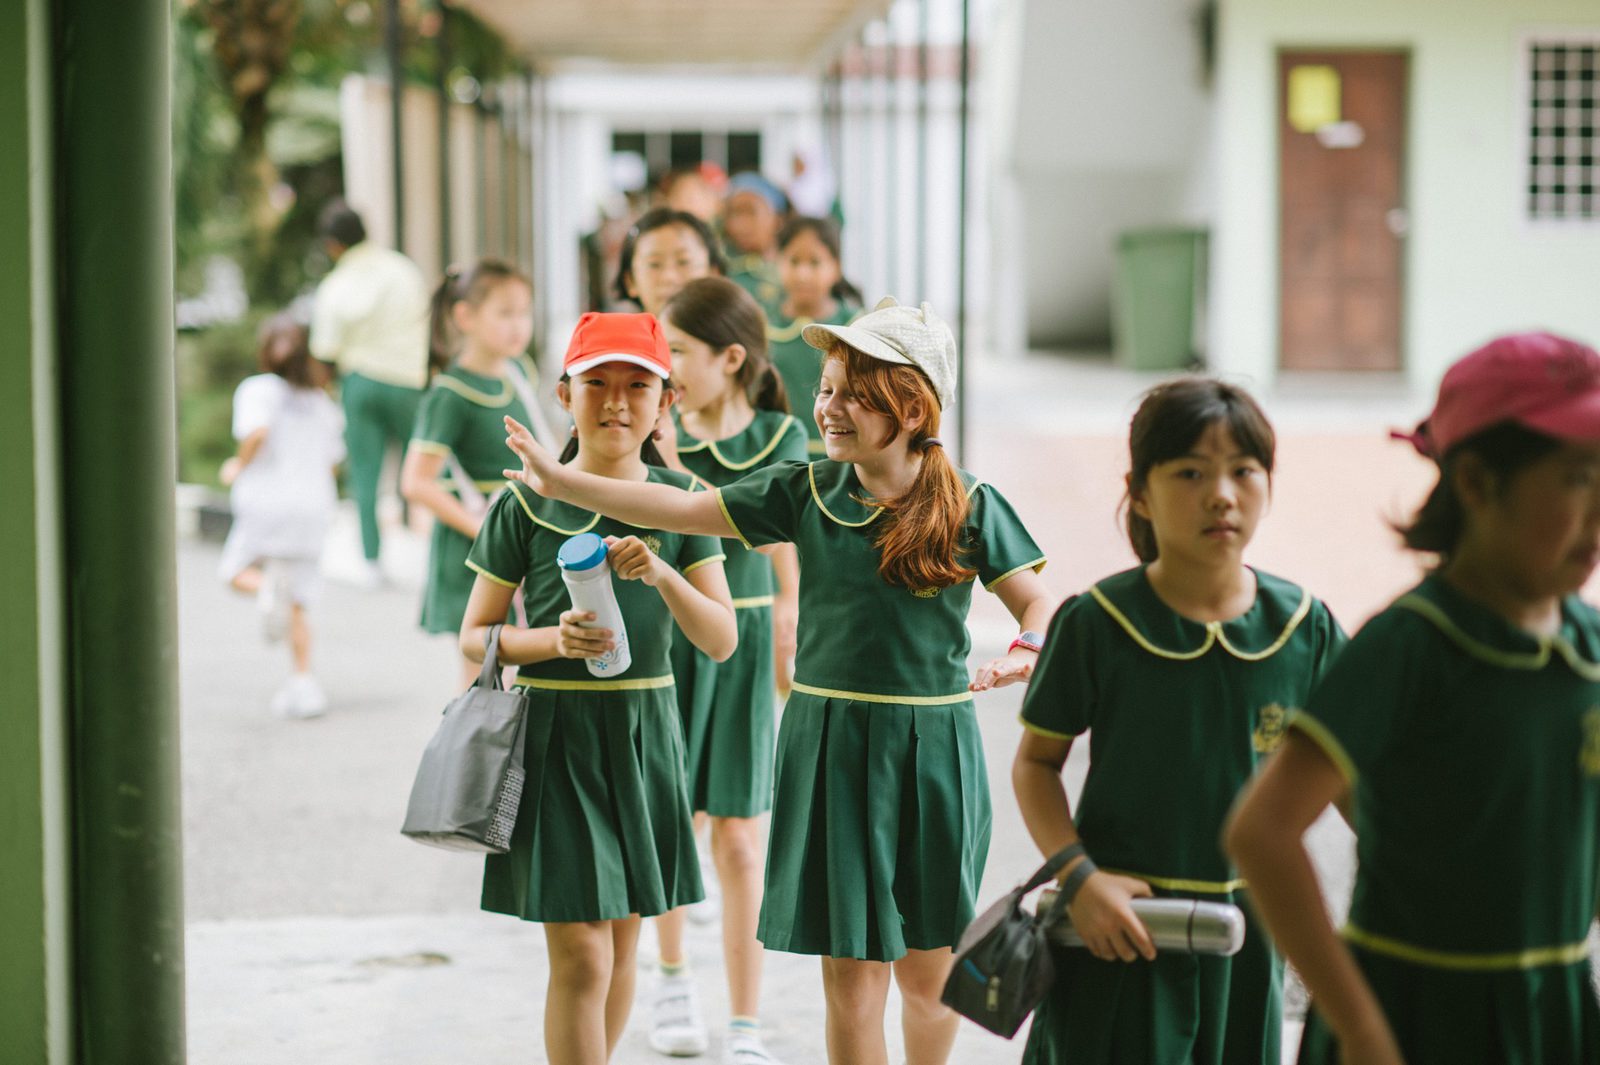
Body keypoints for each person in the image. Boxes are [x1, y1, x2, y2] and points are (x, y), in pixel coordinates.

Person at [497, 296, 1055, 1065]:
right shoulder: (804, 490)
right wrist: (564, 484)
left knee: (930, 979)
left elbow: (1036, 599)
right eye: (826, 388)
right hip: (828, 748)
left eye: (855, 392)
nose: (830, 406)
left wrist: (1029, 644)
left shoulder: (971, 504)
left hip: (935, 757)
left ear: (913, 404)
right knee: (851, 986)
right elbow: (679, 505)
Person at [1225, 332, 1600, 1065]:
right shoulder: (1411, 645)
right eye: (1579, 478)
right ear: (1478, 483)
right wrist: (1359, 1025)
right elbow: (1262, 833)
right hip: (1411, 1016)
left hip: (1553, 1008)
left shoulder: (1586, 644)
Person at [1012, 378, 1345, 1065]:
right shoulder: (1098, 622)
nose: (1221, 493)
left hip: (1249, 939)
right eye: (1191, 472)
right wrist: (1080, 878)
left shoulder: (1303, 627)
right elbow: (1035, 763)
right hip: (1120, 927)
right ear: (1139, 491)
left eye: (1243, 471)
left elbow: (1355, 783)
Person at [460, 312, 738, 1065]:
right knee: (582, 956)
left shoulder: (686, 499)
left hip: (646, 736)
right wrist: (551, 641)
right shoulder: (524, 502)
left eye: (637, 385)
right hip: (557, 739)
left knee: (619, 946)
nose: (617, 401)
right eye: (597, 384)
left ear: (666, 400)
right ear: (564, 393)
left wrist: (664, 571)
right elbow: (474, 634)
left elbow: (720, 637)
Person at [646, 277, 809, 1063]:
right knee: (672, 820)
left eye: (678, 350)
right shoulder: (655, 426)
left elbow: (770, 522)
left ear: (732, 357)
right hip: (670, 637)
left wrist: (788, 603)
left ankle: (745, 1020)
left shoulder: (782, 436)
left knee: (741, 839)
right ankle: (672, 977)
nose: (665, 367)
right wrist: (666, 463)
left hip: (739, 644)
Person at [400, 259, 536, 687]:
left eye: (524, 312)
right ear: (465, 317)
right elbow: (416, 482)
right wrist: (481, 529)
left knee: (520, 655)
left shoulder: (519, 374)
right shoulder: (450, 393)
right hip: (475, 547)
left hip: (519, 535)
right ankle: (477, 753)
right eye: (506, 312)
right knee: (482, 668)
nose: (519, 325)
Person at [218, 313, 347, 718]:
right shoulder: (322, 402)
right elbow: (332, 463)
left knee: (235, 572)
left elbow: (256, 433)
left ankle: (267, 589)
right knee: (299, 600)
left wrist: (237, 466)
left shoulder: (258, 389)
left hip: (266, 504)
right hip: (313, 508)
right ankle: (303, 683)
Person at [309, 200, 432, 587]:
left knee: (366, 473)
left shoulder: (334, 286)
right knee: (425, 464)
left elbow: (324, 350)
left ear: (332, 245)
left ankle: (372, 559)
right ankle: (431, 548)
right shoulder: (402, 269)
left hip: (360, 380)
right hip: (408, 378)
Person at [766, 217, 862, 457]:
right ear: (777, 262)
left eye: (815, 262)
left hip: (844, 454)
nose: (803, 274)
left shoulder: (857, 325)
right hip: (777, 455)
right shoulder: (763, 323)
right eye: (794, 261)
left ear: (836, 267)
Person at [616, 207, 726, 318]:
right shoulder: (617, 335)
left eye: (684, 262)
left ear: (713, 273)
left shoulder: (735, 334)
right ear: (630, 281)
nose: (669, 277)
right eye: (654, 264)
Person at [721, 173, 787, 317]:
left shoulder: (795, 266)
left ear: (777, 218)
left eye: (751, 212)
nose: (740, 224)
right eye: (734, 214)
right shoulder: (722, 268)